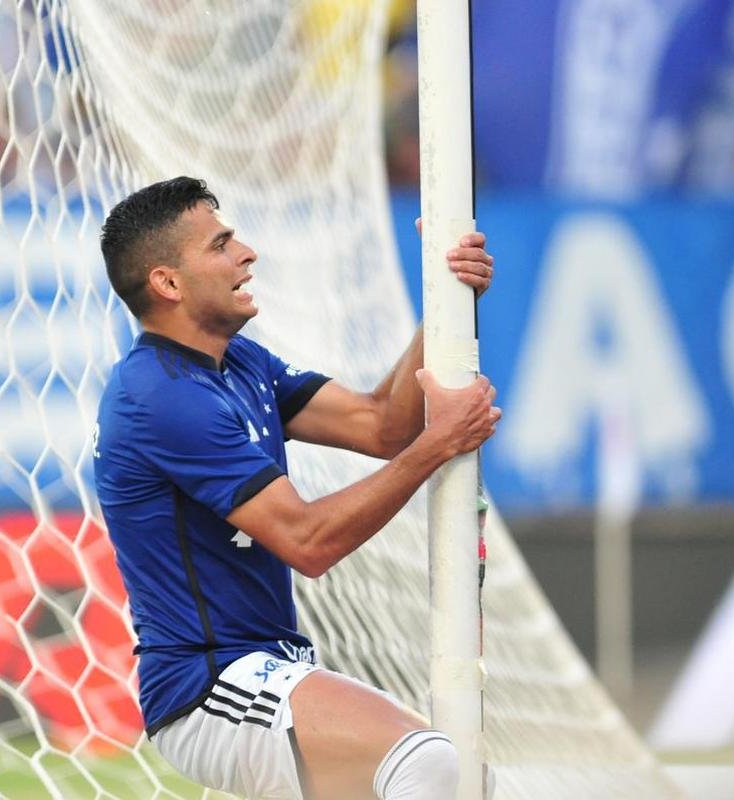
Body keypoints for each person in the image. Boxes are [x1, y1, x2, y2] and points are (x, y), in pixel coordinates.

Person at [93, 177, 498, 799]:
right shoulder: (161, 397)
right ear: (168, 283)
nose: (246, 253)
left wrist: (442, 296)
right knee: (425, 762)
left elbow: (380, 423)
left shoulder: (239, 362)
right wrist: (440, 442)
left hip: (269, 668)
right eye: (221, 244)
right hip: (207, 685)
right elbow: (309, 543)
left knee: (464, 775)